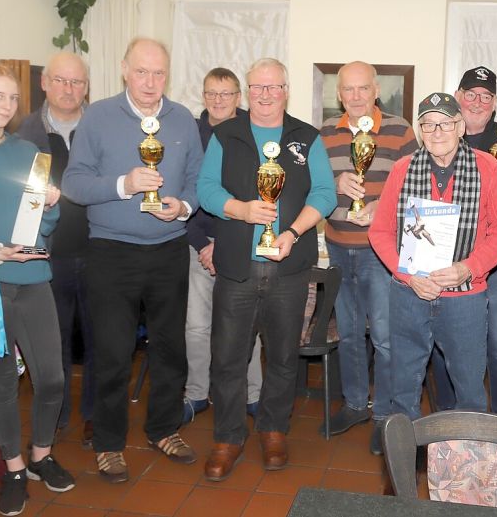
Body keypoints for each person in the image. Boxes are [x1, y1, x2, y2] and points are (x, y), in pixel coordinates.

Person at [62, 37, 204, 483]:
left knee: (170, 349)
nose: (150, 82)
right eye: (141, 71)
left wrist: (182, 206)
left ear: (169, 75)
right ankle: (108, 443)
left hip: (167, 251)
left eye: (158, 73)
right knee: (112, 353)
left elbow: (199, 182)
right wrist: (124, 184)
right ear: (124, 69)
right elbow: (74, 183)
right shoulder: (98, 117)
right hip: (111, 252)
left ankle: (163, 429)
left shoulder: (182, 119)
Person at [197, 57, 335, 481]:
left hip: (288, 270)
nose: (265, 94)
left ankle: (274, 429)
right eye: (258, 87)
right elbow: (205, 190)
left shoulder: (306, 137)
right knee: (229, 359)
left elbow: (326, 194)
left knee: (281, 358)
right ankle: (228, 436)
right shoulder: (226, 135)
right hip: (237, 269)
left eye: (274, 87)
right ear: (247, 92)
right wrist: (240, 209)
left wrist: (292, 231)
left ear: (286, 90)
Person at [0, 62, 72, 516]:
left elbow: (45, 223)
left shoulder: (29, 153)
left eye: (12, 98)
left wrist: (52, 207)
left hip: (34, 278)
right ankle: (15, 469)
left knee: (53, 377)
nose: (6, 105)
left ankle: (42, 454)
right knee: (3, 383)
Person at [368, 92, 497, 422]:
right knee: (403, 387)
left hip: (466, 299)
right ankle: (403, 458)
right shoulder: (404, 169)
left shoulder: (486, 167)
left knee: (470, 391)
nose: (437, 131)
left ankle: (467, 462)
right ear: (420, 130)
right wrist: (408, 277)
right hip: (409, 295)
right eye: (428, 124)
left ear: (460, 126)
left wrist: (468, 268)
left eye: (445, 123)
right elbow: (379, 232)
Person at [318, 61, 418, 452]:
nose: (356, 96)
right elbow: (310, 186)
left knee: (385, 337)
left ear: (376, 90)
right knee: (347, 334)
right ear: (339, 94)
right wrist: (333, 181)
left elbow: (417, 184)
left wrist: (383, 207)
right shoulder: (325, 133)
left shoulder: (400, 129)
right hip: (339, 247)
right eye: (348, 90)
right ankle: (356, 404)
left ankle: (385, 416)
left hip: (381, 253)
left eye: (363, 89)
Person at [428, 66, 497, 418]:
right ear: (457, 97)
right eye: (469, 94)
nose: (476, 101)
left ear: (495, 103)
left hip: (492, 263)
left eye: (485, 96)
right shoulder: (436, 137)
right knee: (444, 344)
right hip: (444, 262)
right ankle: (446, 415)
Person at [16, 51, 96, 446]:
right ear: (45, 83)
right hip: (48, 253)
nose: (69, 89)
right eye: (61, 81)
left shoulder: (102, 128)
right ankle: (58, 413)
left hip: (101, 249)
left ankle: (96, 415)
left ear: (87, 87)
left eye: (77, 82)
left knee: (103, 338)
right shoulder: (21, 133)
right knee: (55, 339)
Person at [184, 67, 263, 424]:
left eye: (226, 94)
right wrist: (203, 243)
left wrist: (229, 240)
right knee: (197, 325)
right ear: (203, 96)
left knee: (249, 324)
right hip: (198, 241)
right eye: (212, 93)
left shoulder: (253, 131)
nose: (219, 101)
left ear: (238, 97)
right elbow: (183, 192)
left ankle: (253, 394)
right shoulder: (188, 133)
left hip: (243, 241)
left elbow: (258, 191)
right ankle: (197, 393)